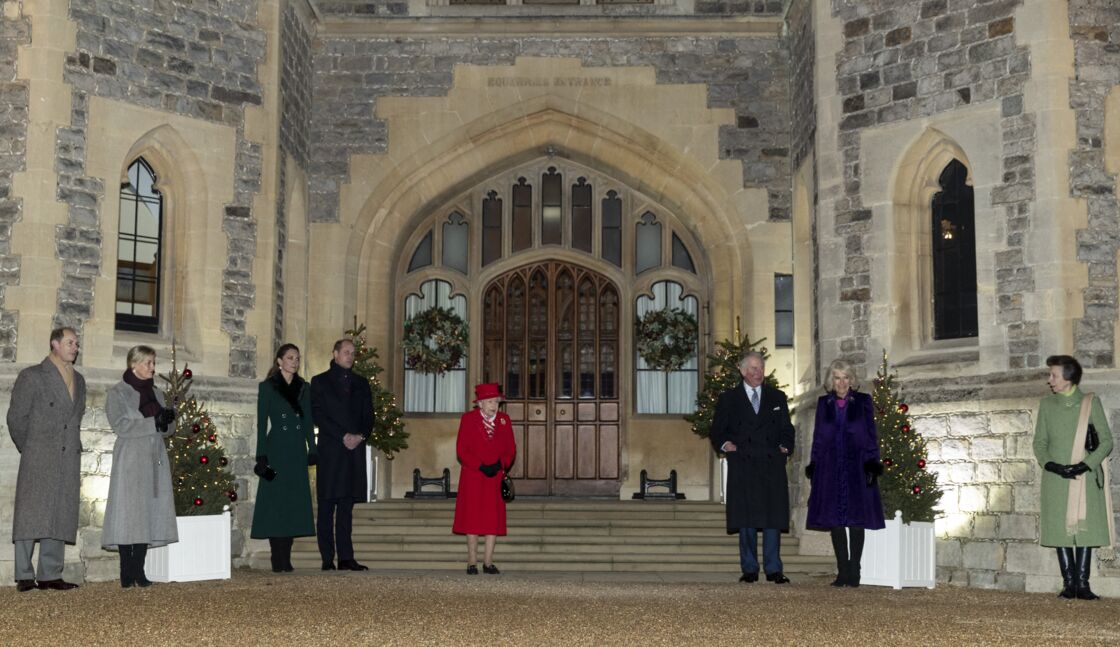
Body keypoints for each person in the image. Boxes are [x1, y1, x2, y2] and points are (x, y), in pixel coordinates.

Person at [7, 327, 87, 592]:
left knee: (59, 512)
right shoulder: (32, 376)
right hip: (39, 454)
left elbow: (75, 418)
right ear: (54, 344)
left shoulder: (80, 380)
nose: (75, 347)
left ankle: (51, 574)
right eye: (70, 342)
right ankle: (24, 574)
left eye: (76, 343)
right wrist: (30, 447)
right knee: (31, 514)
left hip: (67, 456)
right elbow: (16, 418)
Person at [710, 351, 795, 584]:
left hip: (770, 464)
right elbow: (718, 430)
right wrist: (727, 445)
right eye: (753, 369)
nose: (758, 373)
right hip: (743, 464)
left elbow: (787, 430)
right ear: (742, 370)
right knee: (746, 518)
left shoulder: (777, 397)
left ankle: (773, 568)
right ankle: (749, 568)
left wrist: (785, 447)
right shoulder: (729, 398)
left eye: (761, 368)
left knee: (772, 518)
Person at [1033, 354, 1114, 600]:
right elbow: (1039, 442)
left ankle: (1083, 584)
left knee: (1086, 527)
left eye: (1053, 375)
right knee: (1060, 527)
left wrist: (1085, 466)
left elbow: (1107, 442)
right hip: (1056, 477)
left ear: (1068, 377)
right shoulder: (1047, 405)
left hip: (1085, 476)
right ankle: (1069, 585)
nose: (1050, 380)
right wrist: (1051, 465)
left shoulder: (1091, 402)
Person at [101, 345, 179, 588]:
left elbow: (168, 430)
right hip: (131, 460)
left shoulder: (157, 393)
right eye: (149, 363)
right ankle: (127, 572)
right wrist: (152, 422)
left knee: (148, 512)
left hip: (155, 458)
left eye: (154, 363)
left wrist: (167, 422)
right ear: (134, 364)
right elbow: (120, 425)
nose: (153, 368)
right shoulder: (117, 393)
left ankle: (139, 571)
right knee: (128, 515)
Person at [804, 359, 885, 587]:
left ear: (852, 380)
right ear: (832, 380)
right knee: (836, 520)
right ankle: (843, 571)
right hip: (830, 466)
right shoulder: (823, 403)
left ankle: (855, 571)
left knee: (857, 518)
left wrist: (872, 463)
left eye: (845, 377)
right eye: (837, 378)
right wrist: (815, 464)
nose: (841, 382)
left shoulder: (863, 402)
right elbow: (818, 437)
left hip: (857, 465)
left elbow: (870, 436)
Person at [251, 343, 317, 572]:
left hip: (296, 449)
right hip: (277, 448)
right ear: (279, 361)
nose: (295, 362)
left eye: (297, 358)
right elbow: (261, 424)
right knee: (276, 503)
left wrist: (312, 448)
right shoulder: (267, 387)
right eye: (290, 358)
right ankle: (276, 557)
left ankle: (286, 557)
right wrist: (261, 455)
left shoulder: (303, 388)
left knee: (292, 503)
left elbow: (308, 420)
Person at [311, 338, 373, 571]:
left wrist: (360, 436)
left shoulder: (361, 383)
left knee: (346, 507)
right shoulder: (319, 382)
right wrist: (342, 436)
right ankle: (327, 558)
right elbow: (318, 414)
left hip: (353, 451)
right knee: (327, 505)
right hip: (331, 450)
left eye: (352, 353)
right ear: (335, 353)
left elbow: (369, 416)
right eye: (346, 352)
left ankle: (346, 557)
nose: (350, 356)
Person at [452, 383, 516, 575]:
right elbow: (462, 450)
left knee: (492, 519)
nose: (493, 405)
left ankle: (488, 562)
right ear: (480, 403)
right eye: (489, 401)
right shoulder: (468, 419)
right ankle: (472, 562)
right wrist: (480, 466)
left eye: (496, 401)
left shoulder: (504, 420)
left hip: (495, 477)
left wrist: (501, 464)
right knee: (472, 519)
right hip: (473, 475)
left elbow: (511, 449)